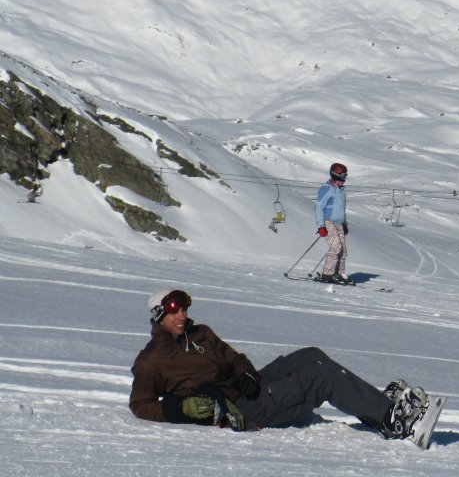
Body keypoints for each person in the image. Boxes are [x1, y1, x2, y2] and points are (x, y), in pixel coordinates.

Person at [130, 287, 427, 438]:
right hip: (242, 412)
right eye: (173, 312)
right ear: (159, 316)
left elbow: (235, 359)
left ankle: (373, 406)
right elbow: (140, 404)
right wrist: (178, 408)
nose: (181, 316)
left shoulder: (201, 333)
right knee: (319, 375)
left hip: (246, 389)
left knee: (312, 355)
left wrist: (245, 371)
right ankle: (391, 421)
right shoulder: (152, 361)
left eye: (183, 308)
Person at [316, 162, 350, 284]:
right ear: (336, 176)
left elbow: (342, 209)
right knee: (335, 247)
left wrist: (344, 224)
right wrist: (321, 226)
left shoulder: (342, 191)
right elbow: (319, 207)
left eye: (345, 177)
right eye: (343, 177)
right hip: (328, 222)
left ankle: (339, 274)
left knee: (343, 251)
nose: (344, 180)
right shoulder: (326, 189)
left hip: (339, 223)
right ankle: (327, 275)